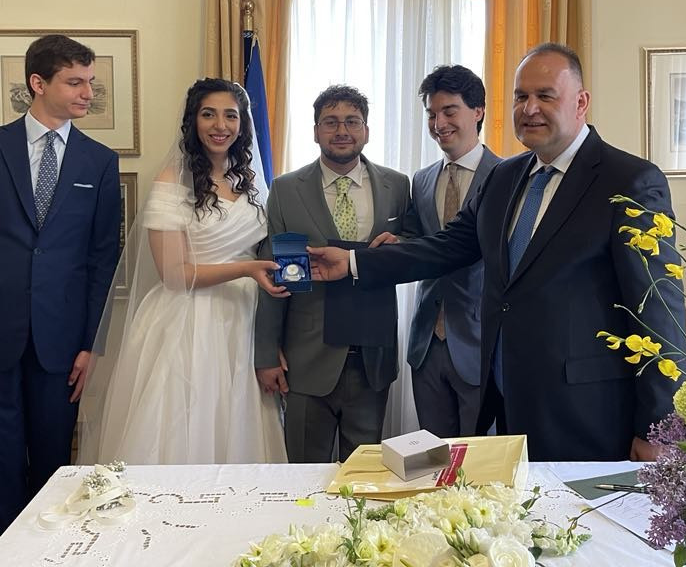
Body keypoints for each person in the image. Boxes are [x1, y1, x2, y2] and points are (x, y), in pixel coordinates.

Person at [309, 43, 686, 462]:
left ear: (581, 102)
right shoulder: (505, 177)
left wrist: (658, 426)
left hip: (590, 413)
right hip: (507, 401)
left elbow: (659, 312)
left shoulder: (630, 180)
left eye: (545, 95)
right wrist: (355, 262)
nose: (530, 108)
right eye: (521, 96)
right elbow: (448, 246)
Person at [0, 34, 121, 545]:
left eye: (91, 82)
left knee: (54, 474)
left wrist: (93, 345)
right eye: (75, 82)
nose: (88, 93)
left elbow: (103, 262)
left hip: (63, 345)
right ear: (38, 83)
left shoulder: (100, 162)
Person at [81, 78, 288, 465]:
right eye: (209, 114)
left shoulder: (252, 182)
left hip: (245, 320)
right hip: (187, 319)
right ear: (193, 120)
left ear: (243, 124)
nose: (220, 125)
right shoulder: (171, 183)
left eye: (231, 116)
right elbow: (173, 273)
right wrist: (246, 269)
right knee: (184, 424)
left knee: (239, 425)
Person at [254, 85, 411, 462]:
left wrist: (402, 243)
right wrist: (266, 354)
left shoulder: (397, 186)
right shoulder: (286, 190)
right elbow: (274, 272)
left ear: (366, 130)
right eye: (331, 122)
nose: (342, 131)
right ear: (315, 131)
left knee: (364, 477)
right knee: (302, 475)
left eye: (352, 121)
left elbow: (415, 248)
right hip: (307, 358)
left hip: (372, 357)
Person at [404, 65, 500, 437]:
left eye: (449, 111)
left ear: (477, 111)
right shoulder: (422, 180)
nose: (439, 123)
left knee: (481, 460)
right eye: (431, 114)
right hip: (426, 344)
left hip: (481, 343)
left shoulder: (507, 176)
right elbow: (419, 245)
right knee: (432, 459)